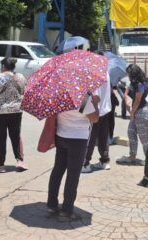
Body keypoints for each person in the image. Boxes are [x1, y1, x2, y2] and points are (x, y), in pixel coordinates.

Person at [47, 91, 100, 222]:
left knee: (57, 170)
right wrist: (95, 104)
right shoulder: (82, 97)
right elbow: (94, 118)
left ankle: (52, 204)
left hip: (61, 136)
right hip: (77, 138)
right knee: (73, 174)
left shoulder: (59, 94)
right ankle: (66, 210)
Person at [0, 57, 27, 171]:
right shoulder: (20, 77)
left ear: (3, 66)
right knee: (16, 135)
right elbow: (23, 92)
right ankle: (20, 161)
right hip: (16, 110)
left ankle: (1, 164)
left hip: (0, 112)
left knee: (1, 137)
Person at [116, 65, 148, 166]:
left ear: (133, 73)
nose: (127, 75)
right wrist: (126, 95)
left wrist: (132, 113)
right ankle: (132, 156)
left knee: (144, 137)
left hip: (142, 112)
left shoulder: (141, 84)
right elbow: (126, 92)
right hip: (137, 111)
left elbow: (137, 100)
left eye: (128, 73)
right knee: (131, 132)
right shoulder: (134, 82)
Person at [82, 73, 112, 173]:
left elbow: (95, 96)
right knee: (103, 137)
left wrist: (85, 108)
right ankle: (105, 161)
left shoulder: (94, 73)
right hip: (106, 109)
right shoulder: (106, 72)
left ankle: (85, 163)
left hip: (97, 111)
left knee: (90, 137)